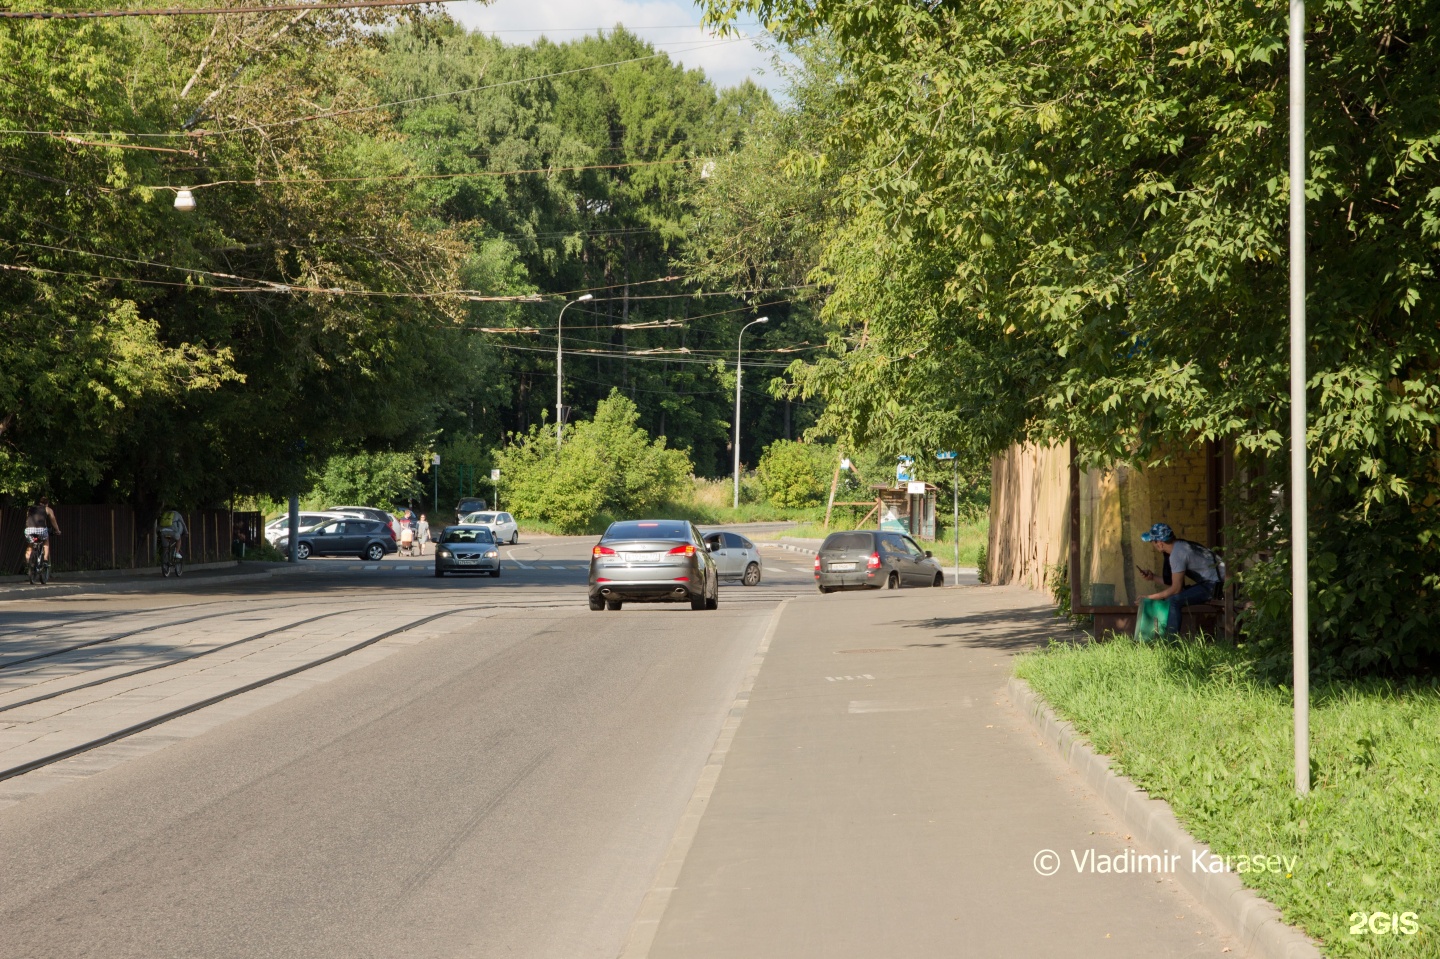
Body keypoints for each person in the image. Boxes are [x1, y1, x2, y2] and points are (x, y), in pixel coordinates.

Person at [1136, 522, 1223, 635]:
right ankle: (1165, 637)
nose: (1153, 545)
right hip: (1215, 584)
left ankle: (1171, 641)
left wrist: (1149, 597)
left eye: (1152, 542)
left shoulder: (1177, 554)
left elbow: (1176, 589)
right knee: (1173, 598)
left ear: (1160, 544)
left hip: (1217, 586)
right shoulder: (1181, 546)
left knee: (1173, 601)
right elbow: (1175, 584)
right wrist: (1153, 577)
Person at [23, 496, 61, 564]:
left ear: (39, 503)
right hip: (41, 530)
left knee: (30, 544)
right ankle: (45, 560)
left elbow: (27, 519)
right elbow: (53, 520)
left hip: (29, 530)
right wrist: (57, 530)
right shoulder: (47, 509)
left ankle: (28, 563)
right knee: (46, 540)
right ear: (47, 503)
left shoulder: (30, 508)